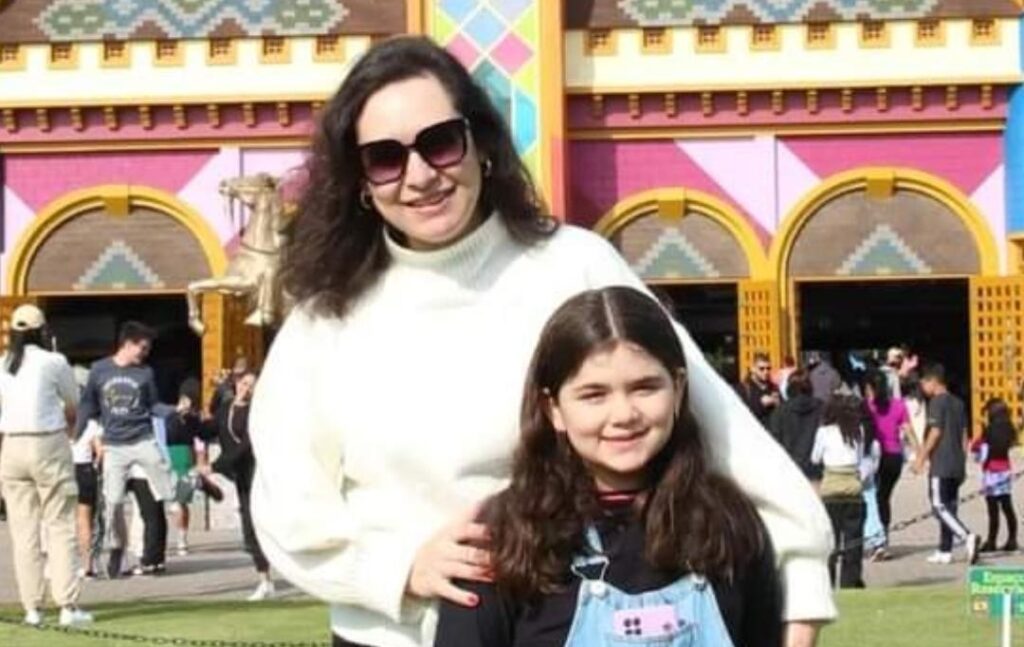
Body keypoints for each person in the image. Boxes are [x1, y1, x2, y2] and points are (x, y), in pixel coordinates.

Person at [249, 36, 834, 647]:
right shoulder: (326, 319)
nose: (420, 176)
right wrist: (398, 570)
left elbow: (722, 432)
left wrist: (801, 580)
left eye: (440, 142)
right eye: (385, 158)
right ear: (360, 180)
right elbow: (287, 506)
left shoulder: (573, 265)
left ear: (481, 143)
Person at [434, 287, 781, 646]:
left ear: (677, 390)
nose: (624, 415)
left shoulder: (729, 524)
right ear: (553, 408)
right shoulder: (503, 538)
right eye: (594, 395)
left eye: (645, 388)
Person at [0, 304, 93, 626]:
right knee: (60, 525)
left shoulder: (3, 364)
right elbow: (73, 402)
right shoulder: (54, 361)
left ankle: (32, 608)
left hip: (12, 445)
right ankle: (67, 605)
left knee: (23, 532)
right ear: (42, 331)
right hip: (47, 442)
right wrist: (70, 430)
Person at [76, 321, 172, 579]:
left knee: (159, 474)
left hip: (141, 437)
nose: (145, 353)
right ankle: (115, 548)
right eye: (143, 348)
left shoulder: (145, 373)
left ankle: (178, 496)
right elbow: (89, 405)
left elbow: (154, 405)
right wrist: (80, 433)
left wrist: (174, 411)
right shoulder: (99, 370)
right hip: (114, 443)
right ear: (128, 344)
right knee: (112, 501)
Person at [205, 370, 274, 601]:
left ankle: (269, 577)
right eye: (244, 383)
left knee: (258, 526)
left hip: (258, 474)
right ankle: (265, 580)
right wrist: (186, 421)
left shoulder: (257, 413)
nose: (246, 389)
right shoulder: (226, 408)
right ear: (236, 384)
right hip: (242, 477)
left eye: (251, 386)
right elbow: (209, 429)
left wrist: (215, 466)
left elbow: (245, 447)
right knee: (249, 527)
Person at [912, 364, 980, 565]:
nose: (923, 388)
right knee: (950, 507)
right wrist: (963, 461)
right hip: (956, 462)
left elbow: (935, 432)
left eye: (923, 383)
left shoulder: (936, 402)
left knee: (938, 505)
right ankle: (945, 549)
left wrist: (921, 457)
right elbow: (965, 435)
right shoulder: (958, 403)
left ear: (933, 381)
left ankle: (966, 536)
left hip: (941, 463)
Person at [811, 395, 878, 589]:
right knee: (853, 541)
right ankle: (850, 582)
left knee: (830, 542)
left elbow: (815, 458)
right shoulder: (858, 431)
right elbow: (859, 457)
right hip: (853, 490)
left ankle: (828, 582)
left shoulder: (824, 432)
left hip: (831, 490)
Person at [864, 370, 919, 560]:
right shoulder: (898, 405)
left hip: (874, 457)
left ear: (869, 387)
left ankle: (876, 541)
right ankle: (883, 539)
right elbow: (908, 430)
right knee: (884, 498)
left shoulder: (867, 407)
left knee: (873, 498)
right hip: (894, 456)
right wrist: (919, 454)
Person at [971, 398, 1018, 553]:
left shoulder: (990, 430)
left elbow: (978, 448)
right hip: (1005, 469)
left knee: (993, 509)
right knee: (1007, 506)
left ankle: (992, 541)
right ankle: (1012, 539)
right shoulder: (1010, 428)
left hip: (991, 470)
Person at [769, 370, 824, 482]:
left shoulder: (780, 411)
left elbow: (774, 442)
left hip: (789, 470)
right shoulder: (822, 408)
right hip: (815, 470)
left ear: (789, 388)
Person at [70, 418, 102, 578]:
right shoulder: (91, 424)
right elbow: (100, 450)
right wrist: (96, 465)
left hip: (66, 468)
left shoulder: (57, 422)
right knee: (85, 521)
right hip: (85, 469)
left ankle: (59, 563)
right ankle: (88, 565)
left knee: (61, 520)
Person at [738, 352, 780, 428]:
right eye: (761, 369)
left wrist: (778, 403)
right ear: (753, 369)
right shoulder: (743, 388)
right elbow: (741, 414)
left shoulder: (774, 387)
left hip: (772, 431)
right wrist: (761, 404)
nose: (766, 372)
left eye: (768, 368)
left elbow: (783, 411)